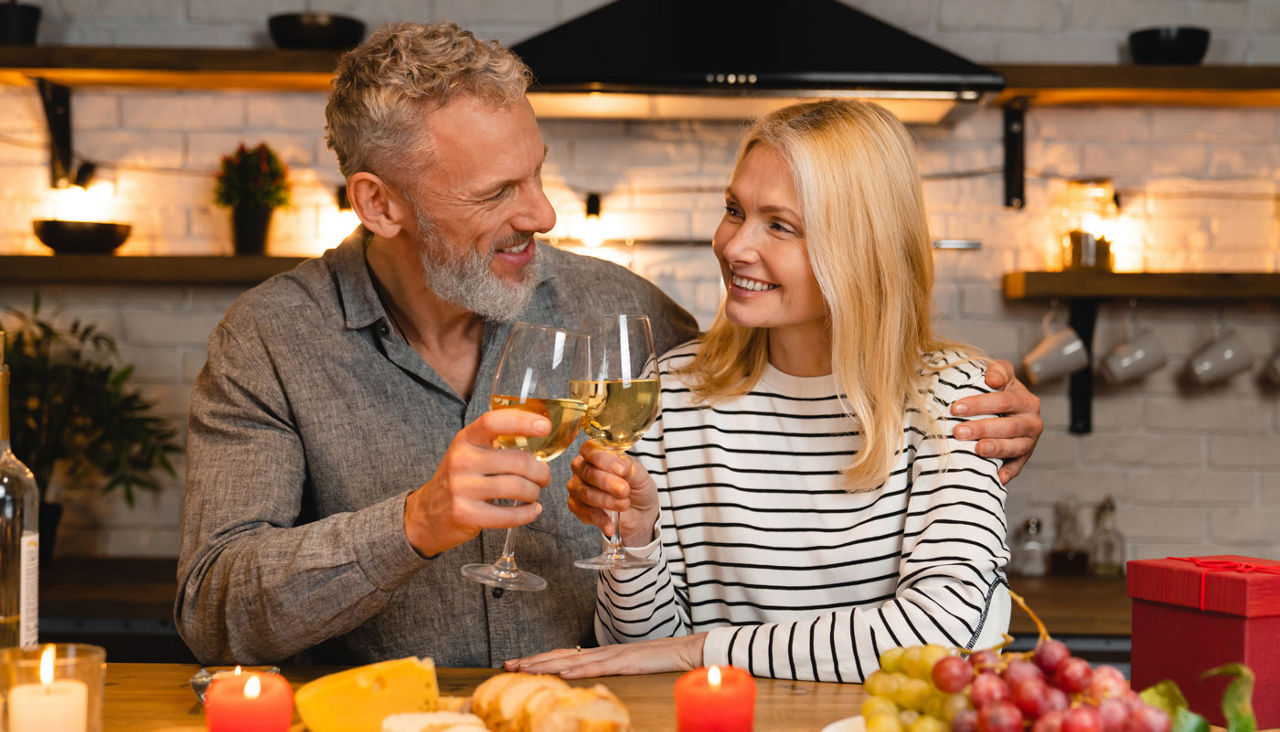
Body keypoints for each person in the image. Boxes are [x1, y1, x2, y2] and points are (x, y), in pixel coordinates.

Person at [176, 22, 1042, 668]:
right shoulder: (270, 342)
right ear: (381, 204)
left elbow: (796, 379)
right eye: (498, 191)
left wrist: (984, 422)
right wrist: (416, 522)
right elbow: (215, 611)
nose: (544, 214)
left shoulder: (628, 319)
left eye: (539, 171)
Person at [509, 99, 1014, 683]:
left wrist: (697, 651)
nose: (733, 246)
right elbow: (636, 653)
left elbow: (936, 633)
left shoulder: (957, 400)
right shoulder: (669, 391)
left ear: (860, 246)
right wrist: (637, 540)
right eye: (734, 210)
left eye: (780, 225)